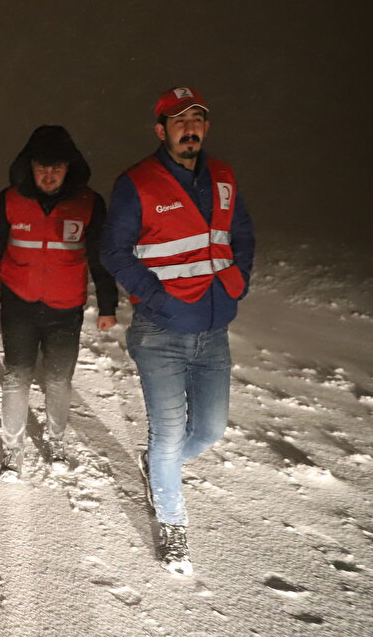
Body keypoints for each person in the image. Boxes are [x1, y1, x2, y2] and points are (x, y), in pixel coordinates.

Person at [100, 87, 254, 576]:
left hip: (214, 330)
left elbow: (242, 234)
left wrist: (236, 281)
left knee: (208, 431)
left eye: (197, 120)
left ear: (205, 127)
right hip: (160, 331)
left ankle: (156, 467)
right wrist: (157, 297)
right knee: (167, 436)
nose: (189, 129)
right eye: (178, 120)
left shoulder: (224, 176)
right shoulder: (137, 182)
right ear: (161, 129)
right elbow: (113, 251)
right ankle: (172, 527)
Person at [0, 125, 118, 480]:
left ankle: (56, 441)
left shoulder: (88, 203)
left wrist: (106, 305)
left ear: (69, 168)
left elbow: (101, 256)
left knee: (58, 381)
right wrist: (14, 268)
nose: (49, 175)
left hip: (65, 308)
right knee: (17, 377)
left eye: (57, 167)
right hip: (20, 305)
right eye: (42, 167)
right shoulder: (10, 199)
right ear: (30, 166)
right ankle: (13, 449)